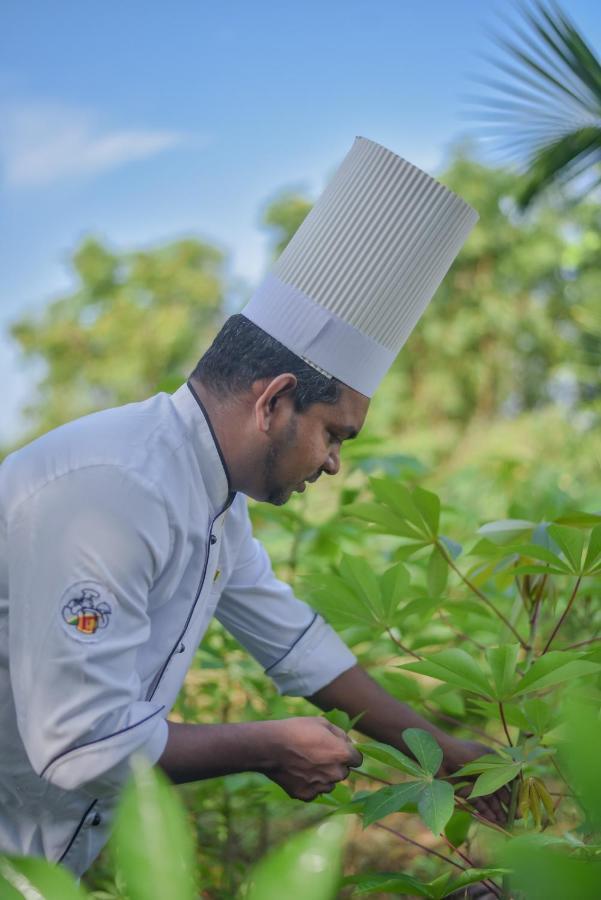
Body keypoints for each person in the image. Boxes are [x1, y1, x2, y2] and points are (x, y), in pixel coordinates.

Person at [0, 137, 504, 876]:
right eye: (334, 433)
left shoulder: (210, 498)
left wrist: (443, 751)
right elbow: (82, 745)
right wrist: (268, 744)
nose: (334, 462)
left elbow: (295, 645)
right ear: (274, 400)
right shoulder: (110, 489)